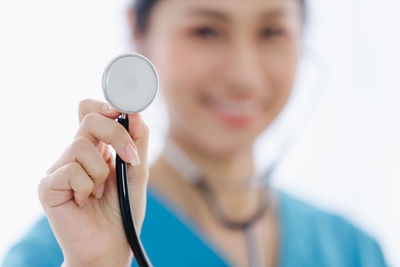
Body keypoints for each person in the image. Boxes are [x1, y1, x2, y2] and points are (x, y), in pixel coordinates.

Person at [2, 0, 388, 266]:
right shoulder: (58, 252)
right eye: (206, 31)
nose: (244, 75)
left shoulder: (355, 252)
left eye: (272, 31)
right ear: (139, 32)